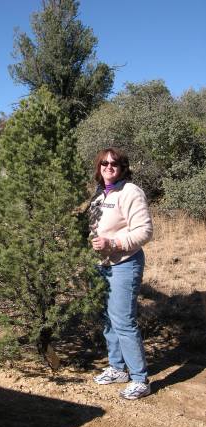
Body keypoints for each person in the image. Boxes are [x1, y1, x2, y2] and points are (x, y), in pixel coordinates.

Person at [89, 147, 153, 400]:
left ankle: (140, 379)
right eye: (104, 163)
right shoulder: (99, 194)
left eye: (114, 163)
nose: (108, 167)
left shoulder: (130, 192)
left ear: (122, 167)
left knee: (123, 321)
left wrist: (113, 244)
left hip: (125, 263)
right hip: (101, 265)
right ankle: (117, 368)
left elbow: (145, 231)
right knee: (107, 318)